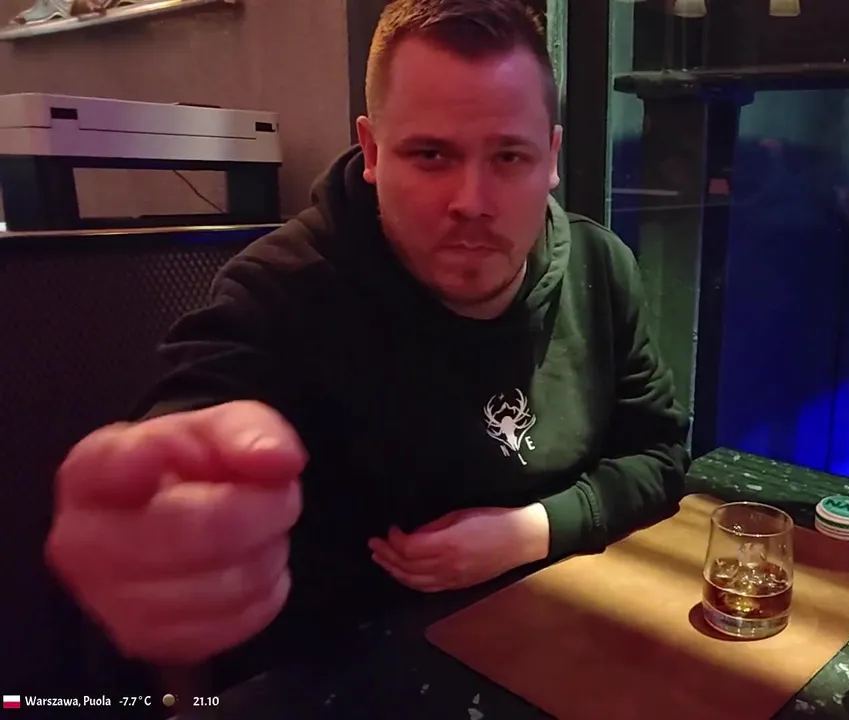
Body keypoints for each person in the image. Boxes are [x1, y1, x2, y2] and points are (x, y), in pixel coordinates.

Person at [44, 0, 689, 689]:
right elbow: (199, 409)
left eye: (509, 155)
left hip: (558, 635)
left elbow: (659, 455)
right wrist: (158, 521)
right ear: (373, 150)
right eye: (431, 155)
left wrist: (534, 529)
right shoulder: (280, 294)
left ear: (551, 157)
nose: (472, 201)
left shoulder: (601, 269)